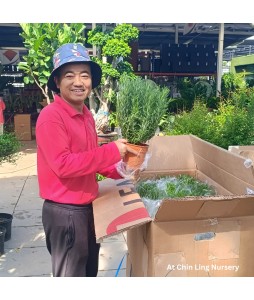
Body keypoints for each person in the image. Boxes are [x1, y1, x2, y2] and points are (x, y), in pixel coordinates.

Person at [36, 43, 136, 277]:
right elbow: (63, 165)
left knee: (89, 271)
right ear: (57, 82)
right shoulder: (51, 117)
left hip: (89, 208)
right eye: (69, 75)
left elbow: (91, 159)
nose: (78, 82)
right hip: (66, 213)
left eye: (85, 75)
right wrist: (113, 150)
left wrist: (122, 169)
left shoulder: (85, 115)